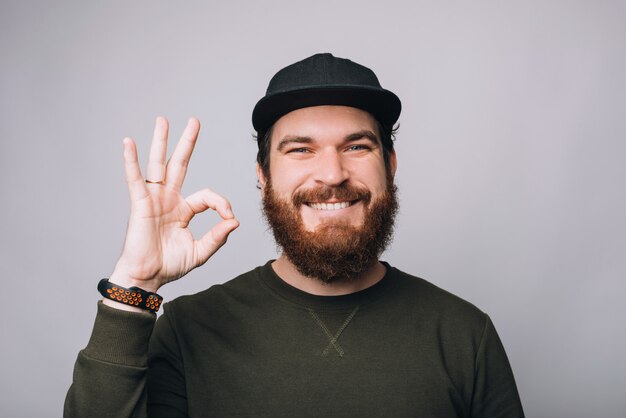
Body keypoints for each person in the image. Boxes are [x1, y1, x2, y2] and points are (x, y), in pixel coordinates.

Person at [64, 53, 524, 417]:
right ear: (263, 175)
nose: (332, 174)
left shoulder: (465, 335)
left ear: (391, 165)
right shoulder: (188, 333)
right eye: (301, 149)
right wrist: (134, 286)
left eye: (357, 146)